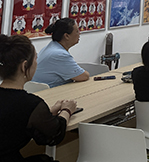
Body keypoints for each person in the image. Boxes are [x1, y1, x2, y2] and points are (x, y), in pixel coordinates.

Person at [0, 34, 78, 162]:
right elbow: (54, 135)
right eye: (35, 59)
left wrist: (48, 112)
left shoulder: (28, 106)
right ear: (24, 66)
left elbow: (14, 119)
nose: (37, 63)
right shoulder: (30, 104)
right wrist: (67, 110)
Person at [32, 18, 89, 88]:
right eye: (77, 31)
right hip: (49, 92)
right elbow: (84, 76)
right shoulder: (59, 54)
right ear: (66, 36)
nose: (79, 33)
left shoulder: (52, 47)